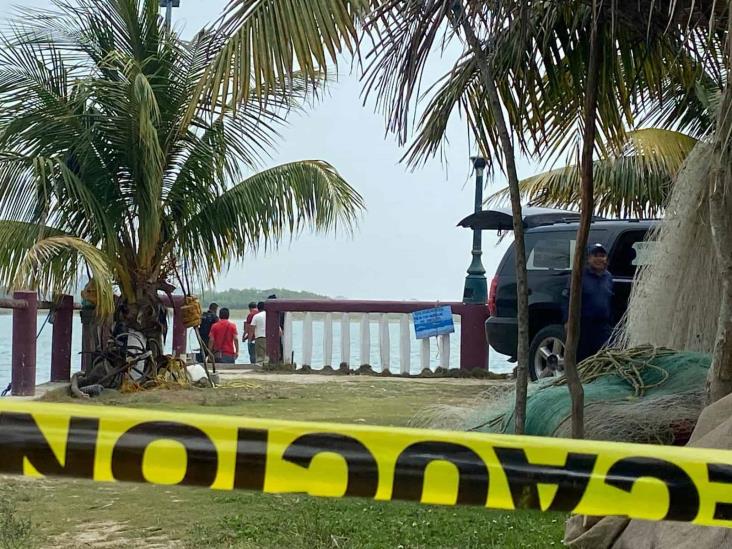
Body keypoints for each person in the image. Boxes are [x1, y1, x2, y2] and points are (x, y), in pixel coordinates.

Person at [563, 243, 615, 363]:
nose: (599, 259)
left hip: (603, 327)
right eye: (595, 255)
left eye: (602, 255)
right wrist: (567, 320)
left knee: (603, 359)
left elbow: (610, 300)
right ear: (588, 258)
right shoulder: (578, 276)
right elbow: (567, 299)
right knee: (583, 361)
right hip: (584, 327)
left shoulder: (608, 277)